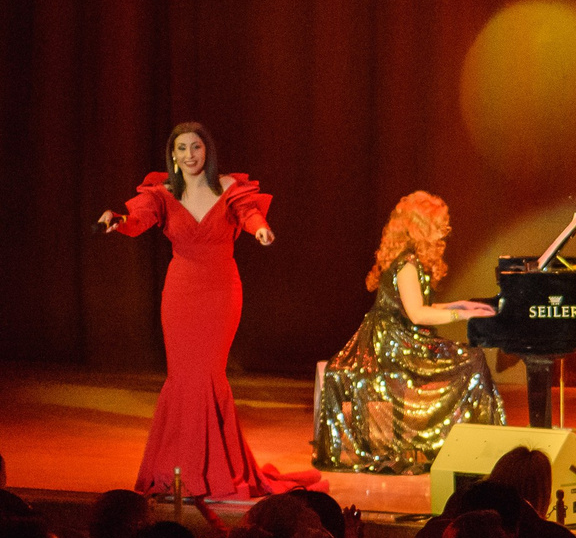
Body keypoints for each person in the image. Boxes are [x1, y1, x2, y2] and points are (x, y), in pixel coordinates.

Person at [97, 122, 324, 499]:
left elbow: (249, 213)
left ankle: (219, 469)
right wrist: (118, 221)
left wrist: (260, 230)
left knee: (209, 374)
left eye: (196, 148)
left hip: (220, 291)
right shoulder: (163, 193)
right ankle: (175, 468)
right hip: (181, 291)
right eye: (182, 148)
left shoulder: (230, 188)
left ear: (208, 151)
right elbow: (137, 221)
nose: (190, 155)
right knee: (183, 376)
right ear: (172, 155)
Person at [315, 192, 505, 474]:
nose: (445, 229)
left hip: (403, 338)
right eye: (439, 223)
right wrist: (462, 314)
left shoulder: (412, 262)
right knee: (472, 361)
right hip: (391, 345)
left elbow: (419, 307)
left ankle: (466, 445)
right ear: (421, 227)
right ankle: (460, 446)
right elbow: (418, 314)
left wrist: (462, 305)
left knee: (470, 358)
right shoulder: (406, 265)